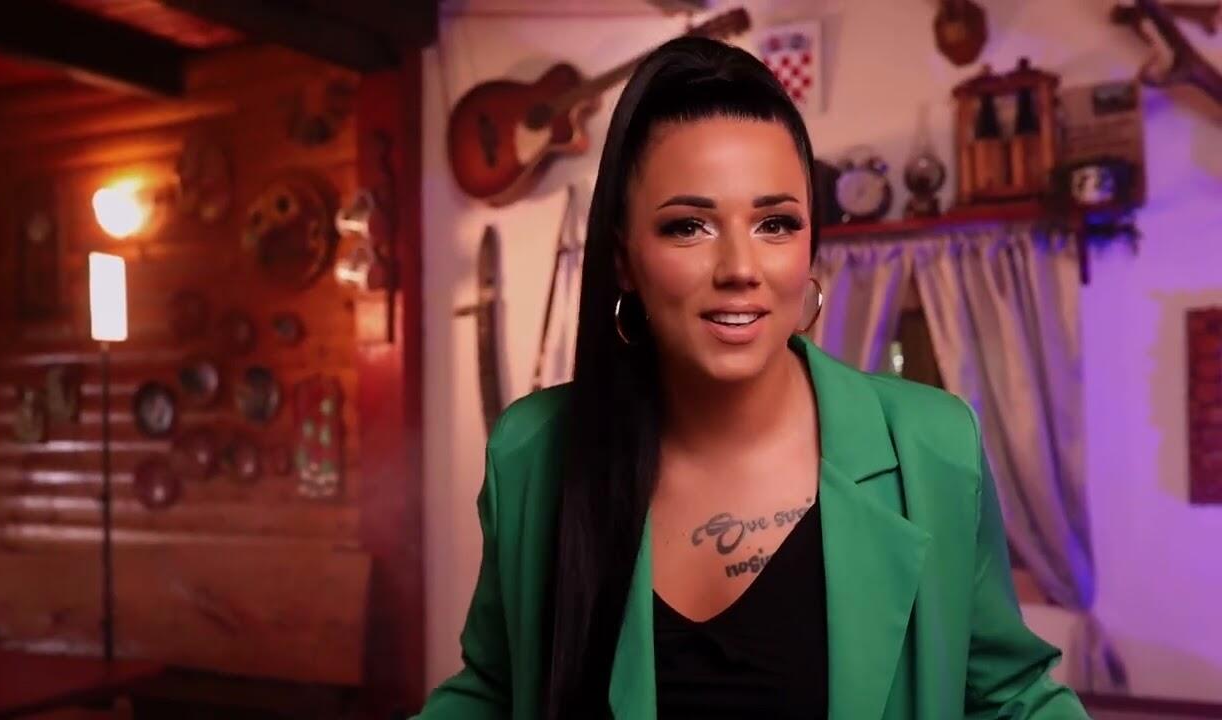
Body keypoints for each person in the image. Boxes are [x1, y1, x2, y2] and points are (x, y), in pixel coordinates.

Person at [415, 36, 1088, 719]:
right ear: (624, 260)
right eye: (689, 226)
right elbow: (494, 692)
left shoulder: (933, 447)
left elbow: (1011, 698)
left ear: (810, 246)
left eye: (775, 223)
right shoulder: (533, 453)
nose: (740, 268)